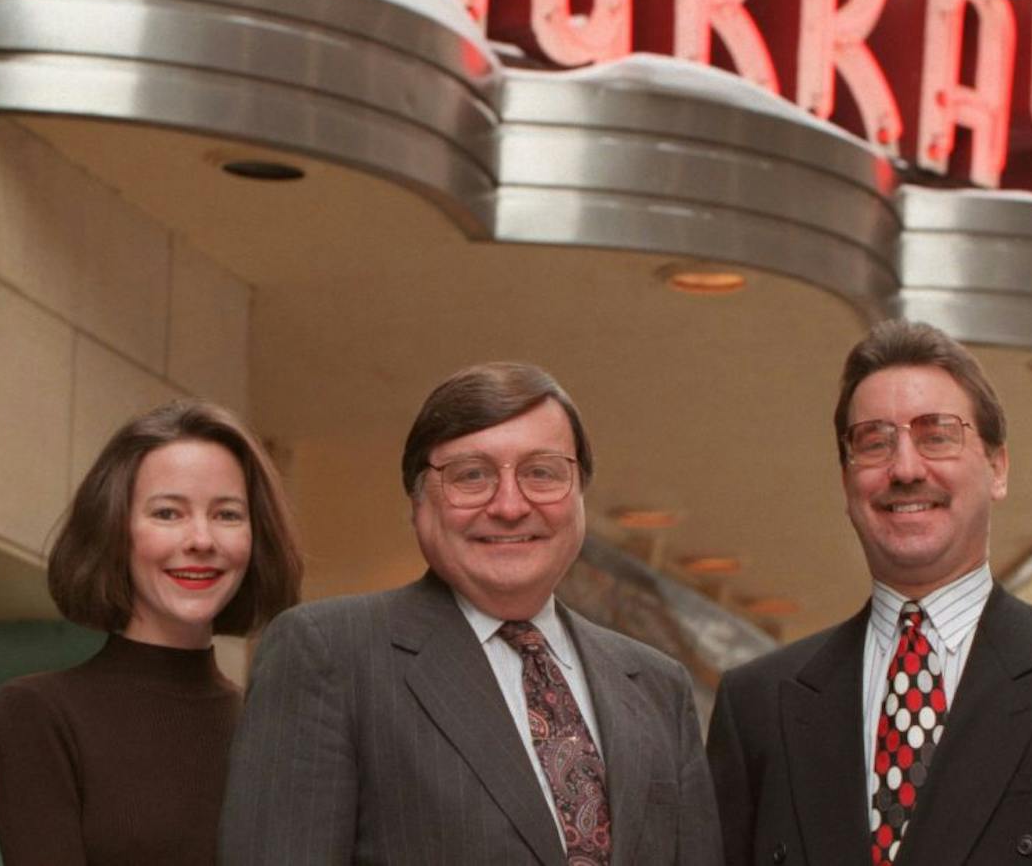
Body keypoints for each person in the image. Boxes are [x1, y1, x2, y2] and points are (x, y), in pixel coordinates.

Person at [706, 320, 1032, 865]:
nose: (905, 467)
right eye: (874, 442)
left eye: (937, 435)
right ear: (846, 481)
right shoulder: (758, 706)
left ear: (997, 467)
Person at [220, 361, 722, 865]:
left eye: (541, 473)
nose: (509, 505)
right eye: (471, 475)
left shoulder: (657, 686)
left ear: (580, 496)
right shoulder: (330, 653)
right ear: (418, 502)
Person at [0, 399, 303, 866]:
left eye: (227, 515)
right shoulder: (39, 713)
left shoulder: (280, 735)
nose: (201, 539)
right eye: (168, 513)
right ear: (115, 530)